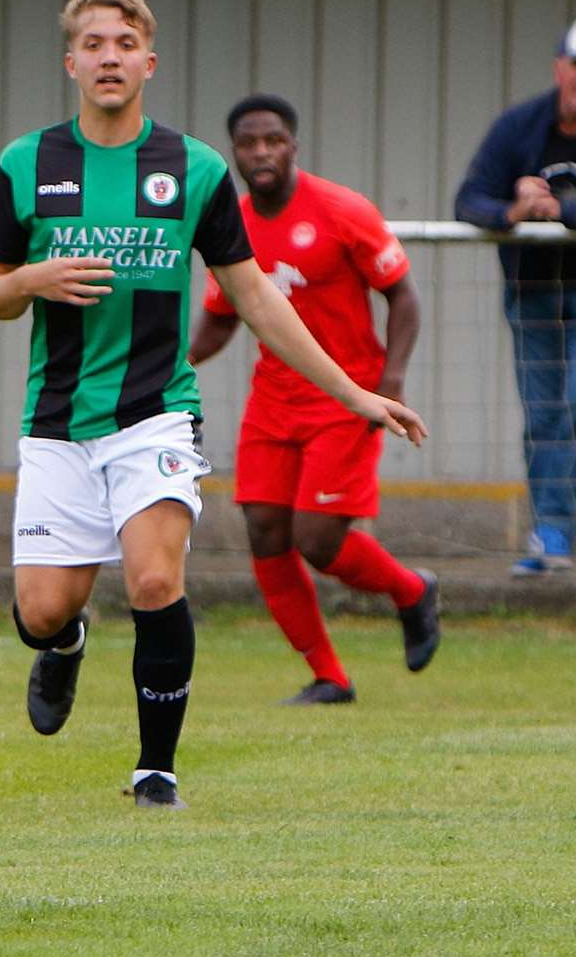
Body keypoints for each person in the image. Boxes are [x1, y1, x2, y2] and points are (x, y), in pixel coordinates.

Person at [0, 0, 425, 808]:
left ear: (150, 61)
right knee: (39, 612)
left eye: (125, 44)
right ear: (70, 62)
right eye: (94, 43)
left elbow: (257, 299)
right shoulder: (25, 163)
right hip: (56, 421)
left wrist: (357, 392)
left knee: (154, 582)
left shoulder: (195, 170)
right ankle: (65, 642)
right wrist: (32, 278)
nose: (109, 56)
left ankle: (156, 772)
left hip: (156, 414)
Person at [188, 93, 440, 706]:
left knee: (319, 540)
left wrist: (393, 379)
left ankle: (411, 590)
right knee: (265, 531)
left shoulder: (340, 210)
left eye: (272, 139)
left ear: (293, 145)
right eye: (248, 143)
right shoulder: (235, 221)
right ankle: (330, 676)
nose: (261, 151)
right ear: (236, 154)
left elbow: (402, 296)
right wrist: (171, 364)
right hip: (273, 401)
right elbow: (223, 317)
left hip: (346, 396)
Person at [455, 18, 576, 576]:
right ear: (558, 68)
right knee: (542, 412)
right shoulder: (520, 125)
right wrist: (513, 211)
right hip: (532, 289)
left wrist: (565, 213)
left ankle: (558, 527)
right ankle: (549, 536)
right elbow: (468, 200)